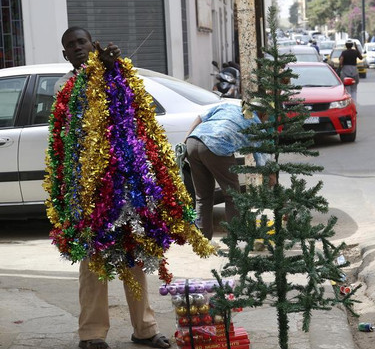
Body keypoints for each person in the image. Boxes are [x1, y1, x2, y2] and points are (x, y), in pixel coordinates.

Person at [49, 27, 179, 349]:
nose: (77, 48)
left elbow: (130, 110)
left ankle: (145, 329)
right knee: (94, 258)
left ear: (93, 44)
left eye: (82, 42)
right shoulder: (65, 87)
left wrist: (114, 69)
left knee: (134, 253)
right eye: (71, 46)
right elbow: (74, 121)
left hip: (125, 184)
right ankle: (91, 334)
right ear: (66, 55)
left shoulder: (116, 76)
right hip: (87, 189)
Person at [184, 102, 268, 240]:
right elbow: (261, 160)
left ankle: (203, 242)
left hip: (192, 142)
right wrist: (269, 178)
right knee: (233, 196)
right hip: (217, 146)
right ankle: (235, 240)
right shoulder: (257, 125)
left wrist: (186, 139)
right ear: (263, 114)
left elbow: (200, 117)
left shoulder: (228, 106)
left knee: (202, 196)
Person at [338, 39, 363, 104]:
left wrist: (339, 68)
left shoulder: (344, 52)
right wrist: (357, 48)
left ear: (346, 46)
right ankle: (354, 104)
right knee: (354, 89)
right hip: (354, 71)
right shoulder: (355, 52)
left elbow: (341, 61)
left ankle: (348, 104)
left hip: (345, 72)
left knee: (347, 89)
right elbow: (361, 57)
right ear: (352, 45)